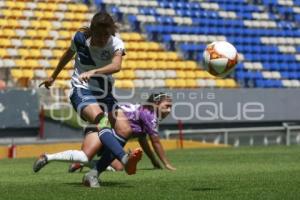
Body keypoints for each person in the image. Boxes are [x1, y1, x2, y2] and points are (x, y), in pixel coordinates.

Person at [36, 11, 142, 177]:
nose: (102, 39)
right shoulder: (79, 39)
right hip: (81, 89)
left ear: (111, 32)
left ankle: (93, 174)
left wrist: (94, 72)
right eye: (98, 35)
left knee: (125, 130)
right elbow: (68, 54)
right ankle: (124, 159)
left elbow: (116, 66)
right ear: (92, 31)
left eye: (106, 35)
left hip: (105, 94)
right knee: (102, 121)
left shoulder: (116, 44)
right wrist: (53, 76)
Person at [82, 92, 176, 187]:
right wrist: (166, 164)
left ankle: (86, 164)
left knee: (118, 167)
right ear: (156, 103)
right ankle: (84, 162)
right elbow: (155, 142)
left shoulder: (144, 112)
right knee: (85, 156)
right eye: (167, 106)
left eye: (171, 107)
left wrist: (154, 161)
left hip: (102, 128)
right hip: (99, 128)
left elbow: (142, 139)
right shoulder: (149, 115)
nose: (169, 110)